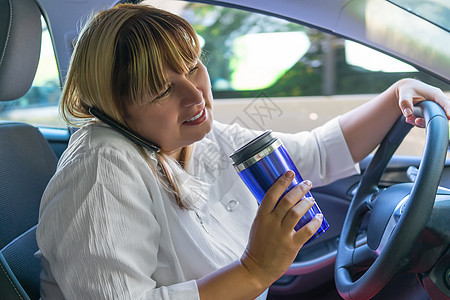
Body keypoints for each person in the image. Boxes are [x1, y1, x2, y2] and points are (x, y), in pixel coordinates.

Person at [36, 3, 450, 300]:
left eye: (193, 65)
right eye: (162, 89)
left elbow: (314, 155)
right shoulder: (100, 168)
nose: (194, 93)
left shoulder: (199, 140)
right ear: (115, 107)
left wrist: (398, 91)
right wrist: (255, 270)